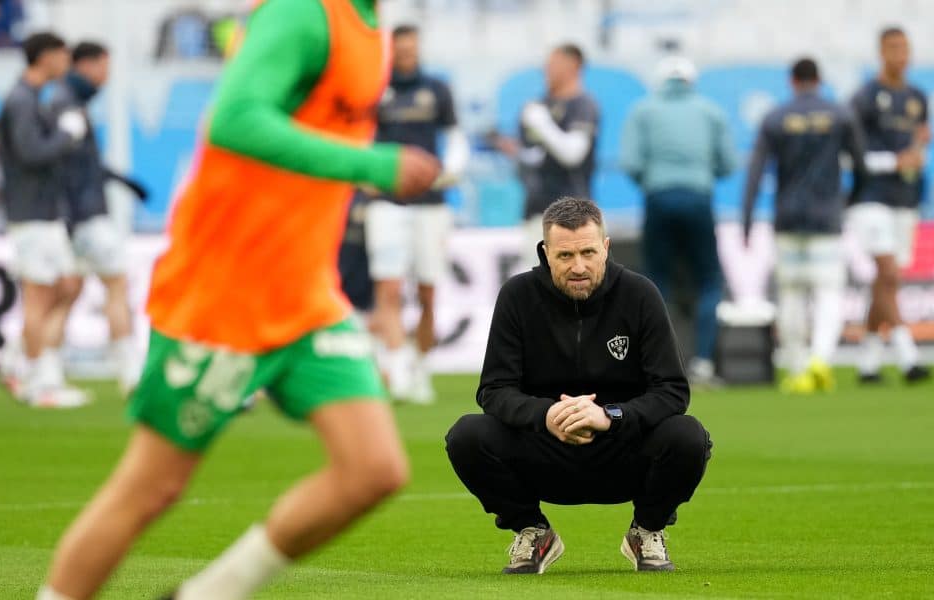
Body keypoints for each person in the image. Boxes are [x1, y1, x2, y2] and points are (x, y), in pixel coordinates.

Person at [36, 1, 440, 599]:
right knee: (151, 488)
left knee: (374, 470)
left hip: (305, 293)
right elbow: (234, 119)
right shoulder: (305, 11)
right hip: (226, 293)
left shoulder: (370, 25)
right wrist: (372, 163)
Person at [445, 197, 711, 575]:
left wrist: (610, 416)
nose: (579, 267)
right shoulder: (517, 296)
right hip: (545, 450)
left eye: (588, 252)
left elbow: (671, 390)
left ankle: (647, 529)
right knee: (467, 435)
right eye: (565, 256)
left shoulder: (640, 294)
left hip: (621, 448)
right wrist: (546, 415)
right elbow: (494, 389)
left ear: (606, 247)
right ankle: (533, 531)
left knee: (688, 436)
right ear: (545, 252)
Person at [742, 58, 867, 393]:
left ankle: (797, 369)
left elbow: (755, 171)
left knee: (792, 295)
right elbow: (861, 164)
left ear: (792, 81)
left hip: (788, 219)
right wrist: (849, 200)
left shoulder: (775, 117)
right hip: (826, 218)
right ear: (819, 79)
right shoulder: (840, 115)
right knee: (828, 293)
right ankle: (820, 360)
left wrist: (747, 218)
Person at [364, 24, 469, 404]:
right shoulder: (375, 89)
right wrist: (366, 174)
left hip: (430, 203)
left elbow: (455, 136)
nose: (407, 55)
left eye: (411, 48)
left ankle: (421, 368)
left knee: (427, 293)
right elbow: (358, 135)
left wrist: (450, 170)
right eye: (401, 49)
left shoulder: (437, 90)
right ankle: (398, 371)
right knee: (389, 289)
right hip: (387, 201)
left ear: (418, 49)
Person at [621, 55, 738, 387]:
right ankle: (701, 362)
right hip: (699, 198)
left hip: (658, 198)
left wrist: (655, 181)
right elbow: (728, 163)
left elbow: (630, 161)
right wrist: (700, 174)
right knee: (709, 281)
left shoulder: (643, 110)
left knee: (655, 283)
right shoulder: (710, 111)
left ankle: (656, 363)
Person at [0, 31, 89, 408]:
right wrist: (66, 136)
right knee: (39, 297)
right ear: (45, 57)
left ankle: (17, 358)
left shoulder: (35, 99)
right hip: (30, 213)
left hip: (46, 212)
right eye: (62, 55)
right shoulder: (20, 101)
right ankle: (36, 383)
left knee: (68, 285)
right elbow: (31, 153)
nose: (67, 63)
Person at [47, 41, 147, 395]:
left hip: (72, 215)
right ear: (88, 65)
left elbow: (80, 164)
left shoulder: (66, 102)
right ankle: (130, 371)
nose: (107, 76)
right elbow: (64, 165)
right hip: (86, 215)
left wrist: (122, 182)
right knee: (117, 286)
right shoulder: (66, 104)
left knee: (67, 294)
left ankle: (47, 375)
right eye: (105, 66)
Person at [848, 26, 932, 384]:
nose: (902, 54)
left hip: (903, 200)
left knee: (886, 283)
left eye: (906, 47)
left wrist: (918, 152)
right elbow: (852, 155)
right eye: (894, 47)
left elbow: (917, 150)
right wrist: (893, 162)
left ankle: (867, 362)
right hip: (870, 198)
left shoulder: (917, 97)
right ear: (881, 52)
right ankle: (908, 356)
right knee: (889, 273)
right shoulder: (865, 97)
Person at [493, 44, 599, 268]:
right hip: (536, 208)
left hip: (573, 211)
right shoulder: (535, 106)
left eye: (554, 63)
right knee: (535, 280)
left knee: (575, 280)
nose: (547, 69)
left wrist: (543, 124)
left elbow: (573, 154)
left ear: (574, 65)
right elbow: (531, 154)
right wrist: (512, 149)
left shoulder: (583, 105)